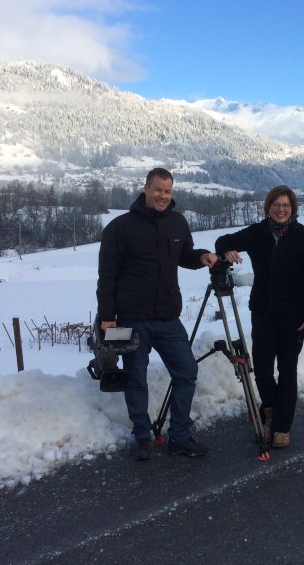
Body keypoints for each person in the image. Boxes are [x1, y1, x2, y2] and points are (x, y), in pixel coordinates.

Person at [96, 167, 217, 461]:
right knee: (136, 378)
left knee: (187, 371)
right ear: (146, 189)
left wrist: (201, 256)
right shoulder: (120, 228)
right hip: (131, 318)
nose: (163, 196)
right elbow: (107, 276)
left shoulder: (177, 223)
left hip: (168, 318)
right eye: (158, 190)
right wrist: (107, 317)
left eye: (168, 191)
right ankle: (142, 437)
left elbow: (185, 255)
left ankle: (179, 436)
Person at [215, 185, 304, 449]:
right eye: (276, 204)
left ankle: (283, 427)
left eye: (286, 205)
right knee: (262, 369)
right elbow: (222, 242)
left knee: (287, 371)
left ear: (293, 209)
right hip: (262, 312)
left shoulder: (303, 236)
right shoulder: (257, 232)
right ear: (269, 207)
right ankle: (271, 409)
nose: (281, 209)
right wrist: (227, 252)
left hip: (293, 315)